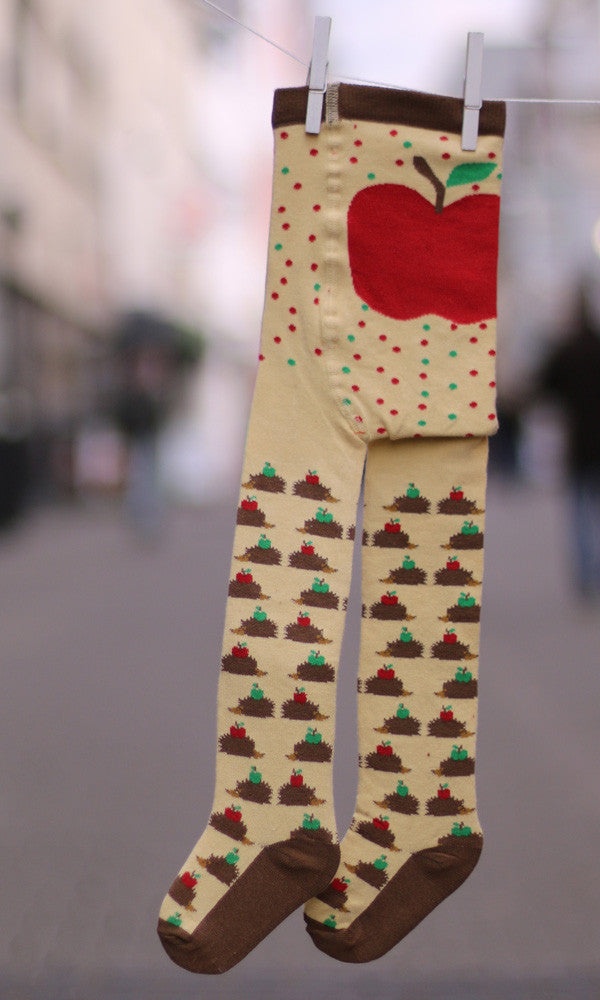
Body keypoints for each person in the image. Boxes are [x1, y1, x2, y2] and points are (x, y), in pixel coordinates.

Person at [537, 284, 600, 598]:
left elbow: (544, 387)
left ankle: (586, 575)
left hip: (578, 442)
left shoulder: (566, 349)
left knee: (577, 512)